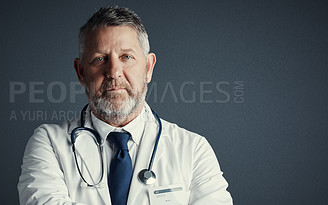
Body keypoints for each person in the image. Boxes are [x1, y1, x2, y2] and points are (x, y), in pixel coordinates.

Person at [18, 6, 233, 205]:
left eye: (126, 57)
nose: (113, 72)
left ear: (148, 67)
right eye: (99, 59)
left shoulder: (193, 150)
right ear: (81, 72)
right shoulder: (49, 143)